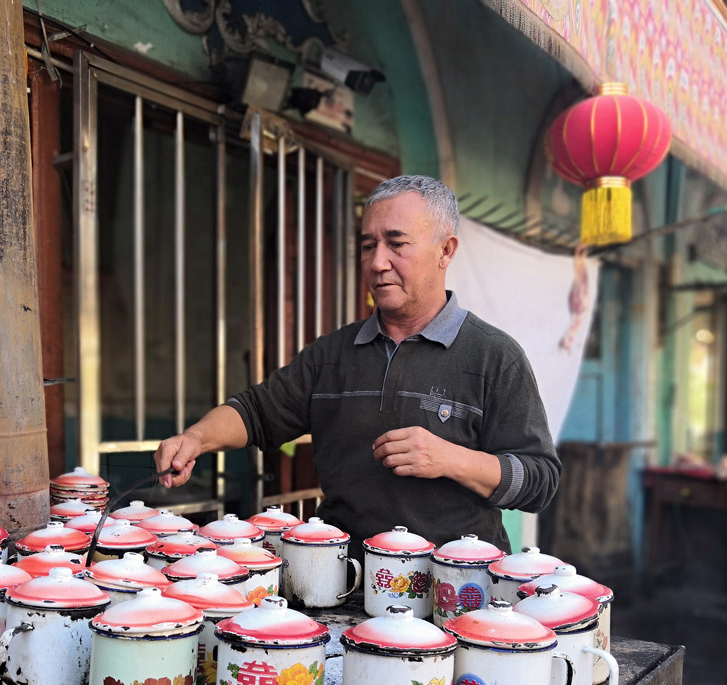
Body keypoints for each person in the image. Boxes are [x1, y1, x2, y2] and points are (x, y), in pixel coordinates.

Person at [154, 175, 559, 557]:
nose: (378, 262)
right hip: (342, 582)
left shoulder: (494, 356)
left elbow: (540, 481)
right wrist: (196, 438)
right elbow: (257, 413)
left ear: (446, 250)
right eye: (368, 246)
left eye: (396, 244)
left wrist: (451, 458)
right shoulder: (332, 354)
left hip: (456, 591)